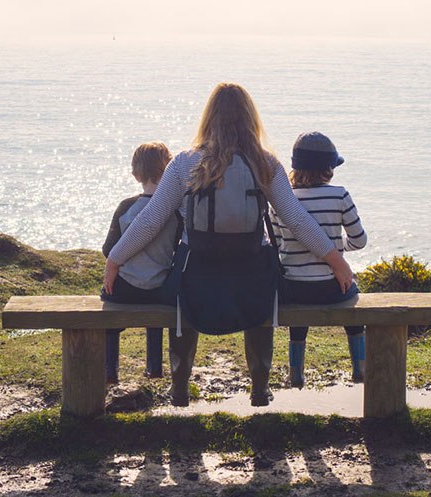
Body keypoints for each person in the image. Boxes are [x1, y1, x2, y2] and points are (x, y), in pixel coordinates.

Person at [104, 83, 354, 407]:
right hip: (251, 271)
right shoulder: (266, 164)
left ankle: (179, 385)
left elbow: (150, 220)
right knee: (261, 306)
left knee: (183, 304)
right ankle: (260, 387)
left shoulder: (183, 163)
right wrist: (336, 260)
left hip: (197, 272)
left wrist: (115, 260)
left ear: (208, 118)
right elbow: (296, 219)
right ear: (251, 118)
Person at [271, 132, 367, 388]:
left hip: (294, 289)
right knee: (352, 298)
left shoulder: (282, 201)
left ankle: (296, 373)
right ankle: (360, 368)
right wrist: (338, 247)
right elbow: (359, 240)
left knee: (299, 309)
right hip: (331, 288)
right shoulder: (339, 195)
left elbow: (278, 245)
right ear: (329, 169)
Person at [101, 141, 180, 383]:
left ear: (136, 174)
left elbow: (108, 249)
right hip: (159, 287)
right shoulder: (175, 210)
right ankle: (154, 366)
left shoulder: (127, 207)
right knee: (154, 317)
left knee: (108, 309)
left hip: (125, 287)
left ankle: (110, 371)